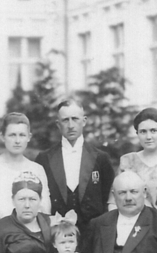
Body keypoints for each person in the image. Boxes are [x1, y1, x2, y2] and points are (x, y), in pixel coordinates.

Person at [38, 98, 114, 237]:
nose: (71, 125)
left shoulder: (101, 158)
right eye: (65, 120)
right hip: (58, 236)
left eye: (75, 119)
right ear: (58, 124)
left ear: (84, 121)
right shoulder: (45, 159)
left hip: (93, 235)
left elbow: (107, 198)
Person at [0, 112, 52, 225]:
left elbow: (44, 208)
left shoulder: (37, 169)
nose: (17, 141)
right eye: (12, 135)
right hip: (1, 235)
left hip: (32, 236)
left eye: (22, 135)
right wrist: (6, 235)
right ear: (2, 137)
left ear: (29, 137)